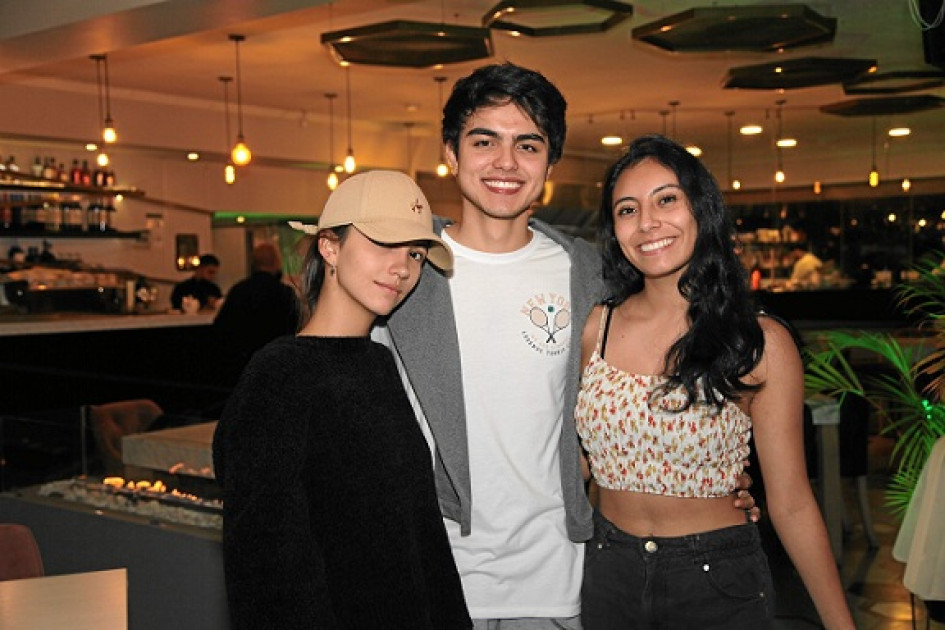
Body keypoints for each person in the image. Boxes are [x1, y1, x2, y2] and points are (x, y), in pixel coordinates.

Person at [379, 63, 756, 628]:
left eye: (527, 145)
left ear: (550, 163)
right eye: (485, 141)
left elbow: (651, 390)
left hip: (565, 582)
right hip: (434, 578)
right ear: (451, 154)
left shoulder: (593, 276)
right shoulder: (402, 269)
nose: (506, 163)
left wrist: (719, 485)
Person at [576, 134, 854, 629]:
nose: (648, 224)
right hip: (607, 570)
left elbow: (790, 501)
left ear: (701, 210)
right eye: (627, 209)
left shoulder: (757, 343)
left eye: (667, 199)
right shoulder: (597, 326)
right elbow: (575, 463)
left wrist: (841, 624)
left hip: (715, 579)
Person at [212, 170, 471, 630]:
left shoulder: (376, 362)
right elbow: (265, 572)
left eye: (414, 252)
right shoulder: (279, 375)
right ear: (330, 247)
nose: (403, 268)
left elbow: (419, 533)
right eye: (383, 244)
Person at [213, 242, 299, 383]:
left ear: (253, 263)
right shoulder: (285, 293)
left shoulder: (239, 291)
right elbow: (295, 329)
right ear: (277, 263)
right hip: (278, 366)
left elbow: (222, 329)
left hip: (241, 366)